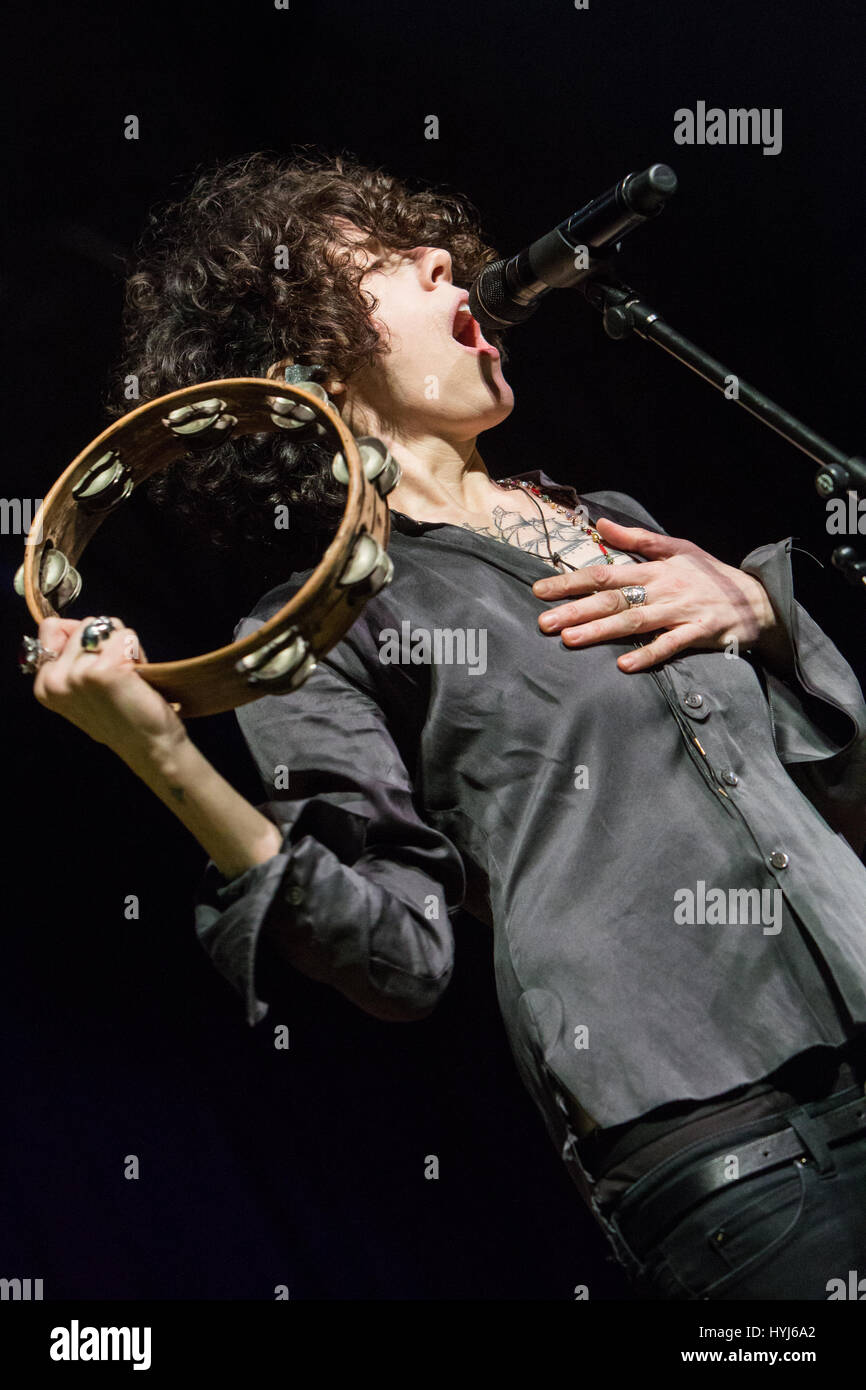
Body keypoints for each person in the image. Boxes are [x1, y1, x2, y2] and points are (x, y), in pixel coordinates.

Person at [24, 152, 866, 1300]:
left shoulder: (613, 524)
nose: (443, 259)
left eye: (434, 251)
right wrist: (159, 751)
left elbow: (836, 784)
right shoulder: (323, 626)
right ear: (307, 361)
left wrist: (765, 614)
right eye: (381, 263)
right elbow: (396, 957)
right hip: (745, 1158)